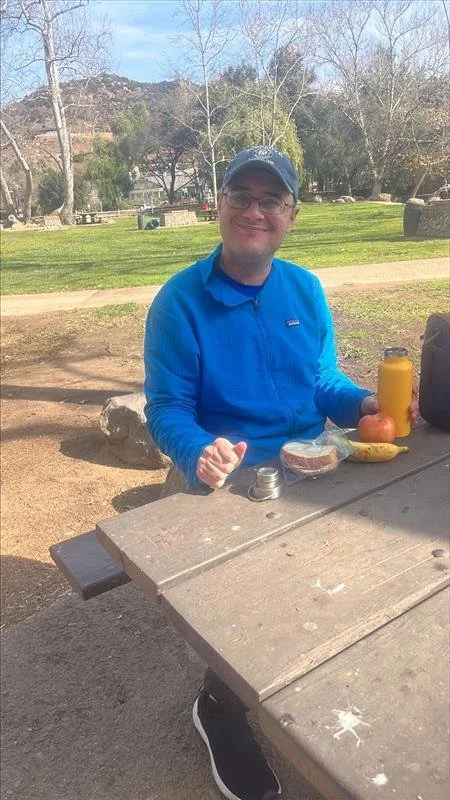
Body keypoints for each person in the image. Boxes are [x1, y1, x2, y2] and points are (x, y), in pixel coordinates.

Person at [143, 145, 417, 800]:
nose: (255, 210)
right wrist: (199, 452)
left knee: (366, 562)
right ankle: (221, 704)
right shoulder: (179, 303)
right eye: (242, 195)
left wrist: (361, 403)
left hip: (313, 458)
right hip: (227, 476)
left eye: (272, 199)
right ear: (219, 206)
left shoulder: (304, 288)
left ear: (291, 215)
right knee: (247, 604)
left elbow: (320, 380)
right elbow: (166, 408)